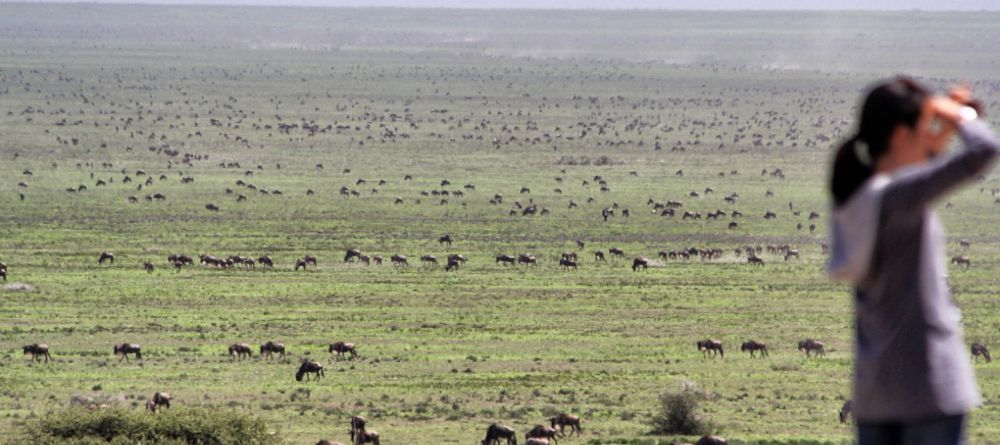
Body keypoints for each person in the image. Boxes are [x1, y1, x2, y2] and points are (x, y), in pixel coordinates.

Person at [827, 76, 998, 445]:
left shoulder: (855, 198)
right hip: (928, 387)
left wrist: (937, 126)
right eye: (924, 129)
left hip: (875, 394)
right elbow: (985, 150)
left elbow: (919, 164)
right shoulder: (900, 199)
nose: (930, 138)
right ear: (901, 135)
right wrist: (959, 114)